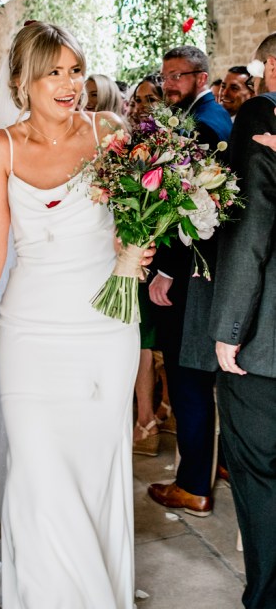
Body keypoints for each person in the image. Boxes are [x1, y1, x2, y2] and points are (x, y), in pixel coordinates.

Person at [0, 21, 153, 609]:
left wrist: (138, 243)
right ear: (22, 81)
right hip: (30, 334)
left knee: (96, 464)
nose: (69, 84)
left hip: (106, 329)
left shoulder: (109, 133)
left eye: (76, 71)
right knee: (39, 466)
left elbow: (137, 218)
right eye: (53, 72)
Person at [148, 45, 232, 516]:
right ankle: (217, 463)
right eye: (165, 77)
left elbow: (191, 207)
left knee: (188, 377)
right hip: (202, 272)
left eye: (178, 76)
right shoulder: (208, 117)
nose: (169, 85)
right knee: (196, 375)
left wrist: (165, 269)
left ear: (201, 78)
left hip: (191, 275)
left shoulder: (204, 126)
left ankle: (193, 484)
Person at [210, 34, 276, 609]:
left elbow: (251, 230)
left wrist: (228, 329)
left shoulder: (261, 119)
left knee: (259, 474)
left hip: (266, 343)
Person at [127, 73, 172, 455]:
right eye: (137, 100)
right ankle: (155, 414)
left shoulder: (170, 146)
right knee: (144, 342)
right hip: (134, 253)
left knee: (146, 344)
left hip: (157, 261)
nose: (142, 107)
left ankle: (147, 421)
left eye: (150, 99)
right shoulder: (127, 145)